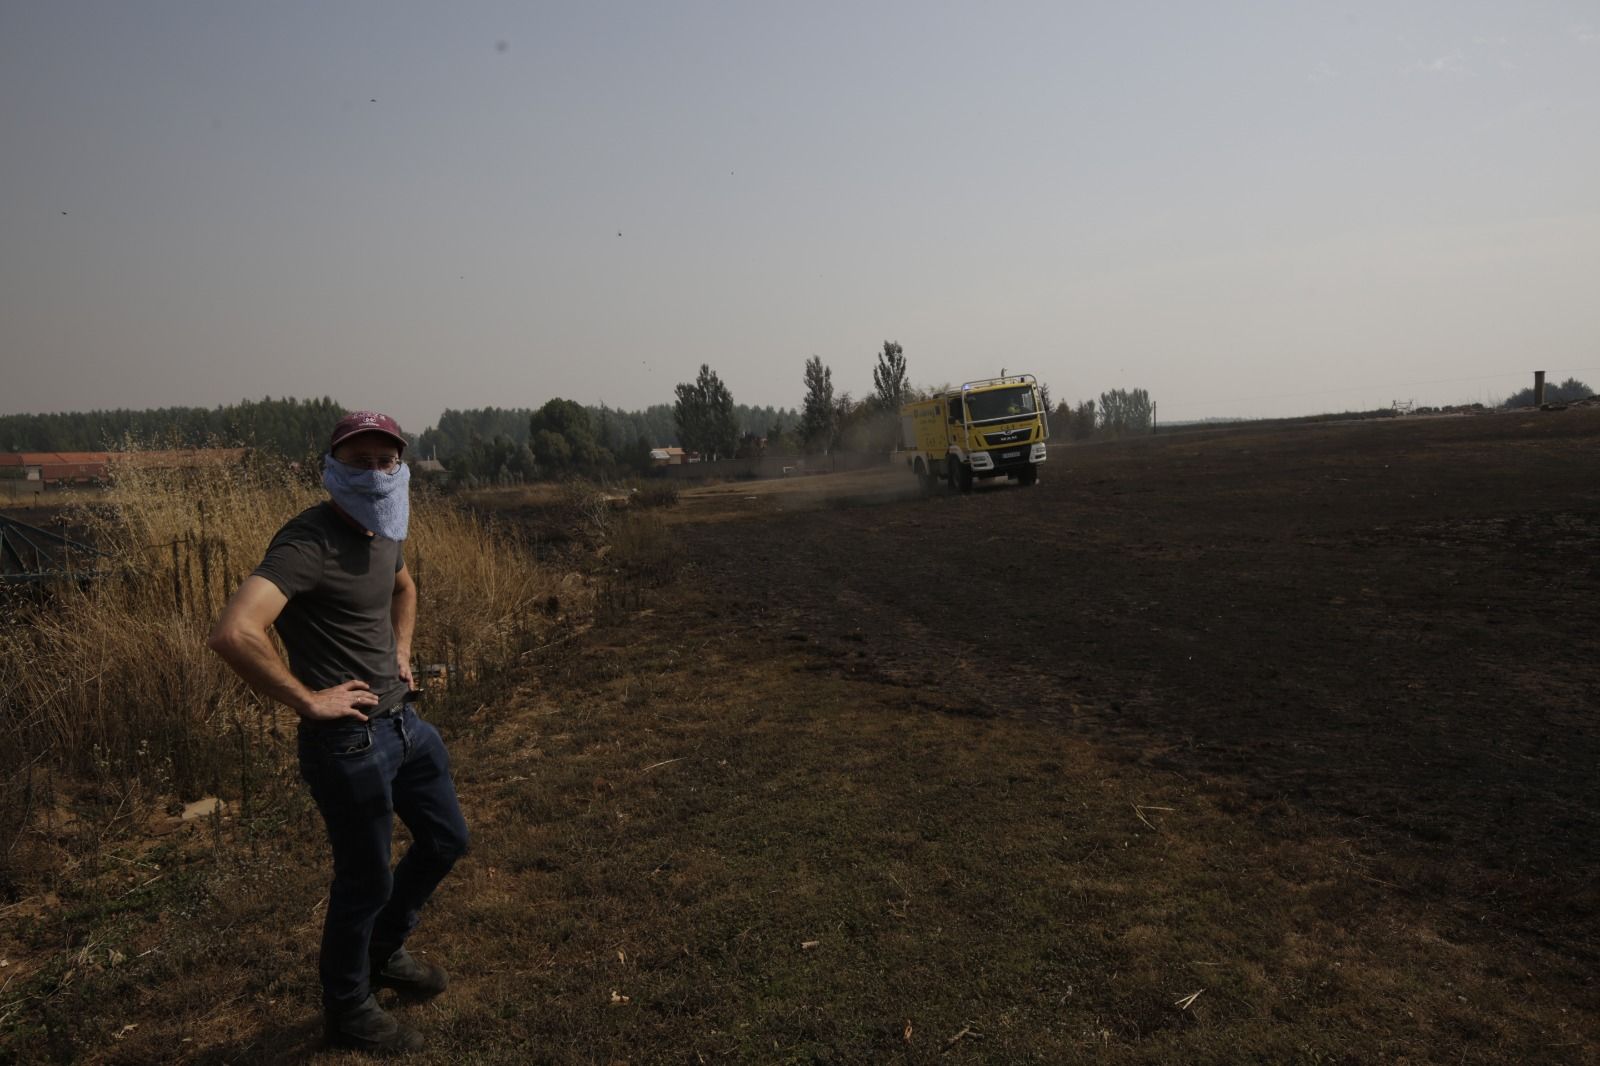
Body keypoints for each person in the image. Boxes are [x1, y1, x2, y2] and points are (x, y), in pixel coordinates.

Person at [208, 411, 468, 1054]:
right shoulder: (307, 542)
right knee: (365, 880)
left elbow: (404, 588)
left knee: (445, 840)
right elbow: (234, 632)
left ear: (401, 466)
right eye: (359, 462)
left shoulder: (388, 527)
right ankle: (348, 1006)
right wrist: (308, 701)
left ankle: (383, 950)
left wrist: (402, 653)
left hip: (404, 724)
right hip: (347, 741)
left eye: (387, 461)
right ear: (331, 470)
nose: (376, 473)